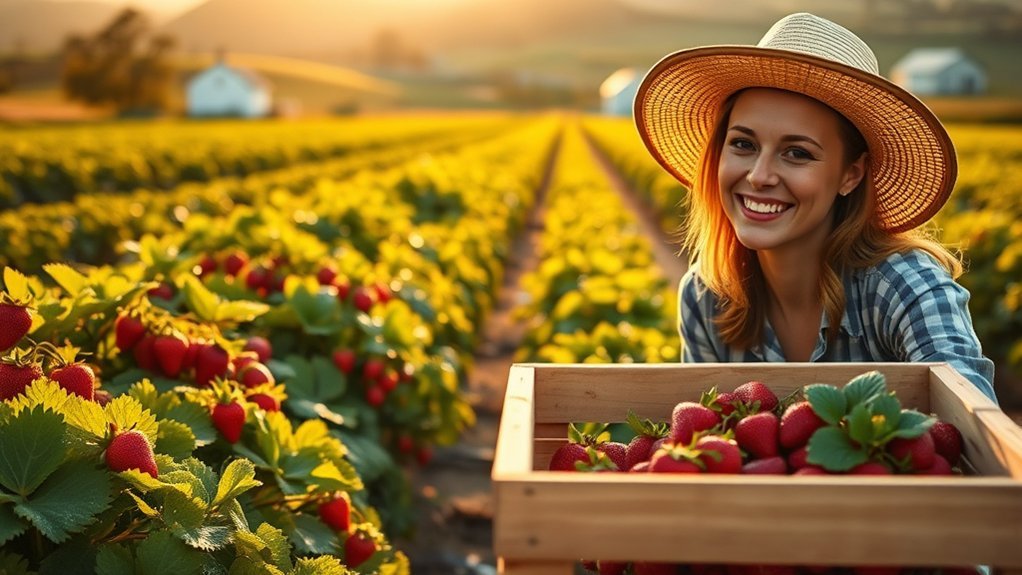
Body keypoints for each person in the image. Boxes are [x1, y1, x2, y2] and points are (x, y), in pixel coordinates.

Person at [632, 12, 997, 401]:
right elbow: (710, 447)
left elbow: (975, 434)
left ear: (850, 175)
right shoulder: (706, 297)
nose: (759, 175)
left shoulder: (905, 289)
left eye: (797, 153)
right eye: (743, 144)